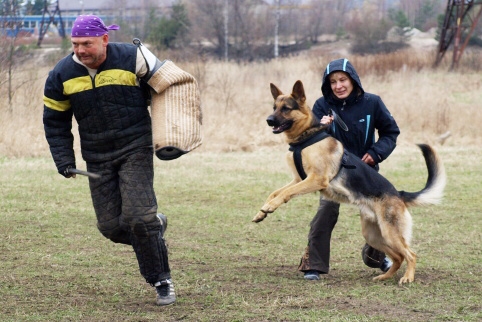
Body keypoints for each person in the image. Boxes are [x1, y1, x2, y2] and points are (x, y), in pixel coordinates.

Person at [43, 15, 175, 305]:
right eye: (75, 44)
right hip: (97, 157)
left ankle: (161, 280)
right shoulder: (61, 74)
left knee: (139, 218)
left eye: (86, 43)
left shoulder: (134, 56)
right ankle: (154, 231)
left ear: (104, 39)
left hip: (135, 148)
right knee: (111, 227)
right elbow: (55, 121)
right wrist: (64, 158)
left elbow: (172, 88)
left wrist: (174, 136)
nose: (80, 50)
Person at [299, 58, 400, 281]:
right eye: (333, 82)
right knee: (326, 213)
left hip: (366, 172)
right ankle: (313, 265)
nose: (338, 86)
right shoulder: (321, 105)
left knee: (378, 216)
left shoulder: (372, 102)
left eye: (343, 80)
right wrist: (320, 128)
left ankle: (376, 258)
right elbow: (309, 140)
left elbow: (390, 132)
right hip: (333, 174)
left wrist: (375, 154)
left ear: (353, 80)